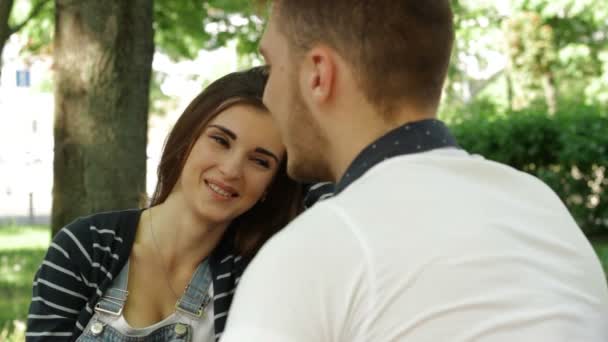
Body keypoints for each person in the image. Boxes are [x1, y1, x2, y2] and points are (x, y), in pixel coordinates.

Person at [220, 2, 608, 341]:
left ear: (318, 74)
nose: (267, 94)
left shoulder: (312, 252)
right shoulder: (542, 211)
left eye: (272, 67)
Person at [26, 66, 303, 341]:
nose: (231, 170)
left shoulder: (249, 280)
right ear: (187, 137)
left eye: (260, 161)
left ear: (271, 186)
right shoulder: (86, 247)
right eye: (220, 140)